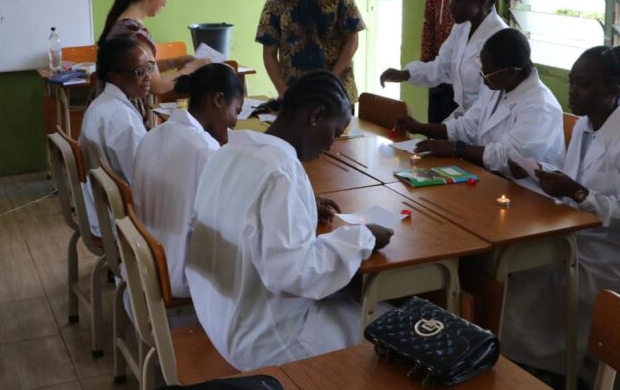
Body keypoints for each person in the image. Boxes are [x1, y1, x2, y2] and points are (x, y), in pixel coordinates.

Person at [186, 71, 393, 371]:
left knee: (352, 300)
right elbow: (293, 274)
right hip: (263, 339)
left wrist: (306, 206)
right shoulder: (282, 172)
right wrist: (364, 237)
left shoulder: (228, 152)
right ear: (316, 116)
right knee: (389, 323)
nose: (331, 145)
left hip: (217, 313)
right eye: (334, 133)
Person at [502, 46, 620, 380]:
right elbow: (576, 177)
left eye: (583, 84)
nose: (572, 91)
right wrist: (538, 171)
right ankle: (529, 362)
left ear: (612, 89)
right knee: (510, 264)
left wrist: (577, 193)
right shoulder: (585, 125)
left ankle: (554, 370)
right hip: (577, 231)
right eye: (572, 81)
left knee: (532, 279)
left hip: (612, 252)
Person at [131, 63, 244, 298]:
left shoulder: (152, 136)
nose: (235, 122)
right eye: (237, 110)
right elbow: (231, 222)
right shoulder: (206, 151)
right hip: (178, 278)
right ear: (218, 100)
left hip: (143, 263)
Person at [395, 28, 565, 173]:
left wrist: (457, 149)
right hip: (491, 179)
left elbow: (510, 159)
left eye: (488, 74)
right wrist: (419, 127)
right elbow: (467, 126)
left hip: (529, 194)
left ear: (512, 71)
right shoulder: (498, 87)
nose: (484, 80)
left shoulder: (540, 106)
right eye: (482, 72)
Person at [380, 0, 510, 120]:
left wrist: (430, 130)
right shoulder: (463, 27)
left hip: (487, 125)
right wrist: (406, 74)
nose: (450, 5)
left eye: (458, 0)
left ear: (483, 2)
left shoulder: (501, 40)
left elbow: (485, 109)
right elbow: (443, 67)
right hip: (465, 118)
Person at [256, 0, 365, 104]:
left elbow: (352, 40)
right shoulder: (275, 2)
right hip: (296, 94)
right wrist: (282, 90)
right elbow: (269, 53)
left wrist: (332, 79)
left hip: (337, 92)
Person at [99, 0, 208, 96]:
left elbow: (138, 68)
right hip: (125, 111)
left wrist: (172, 62)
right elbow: (157, 86)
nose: (166, 3)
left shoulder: (121, 23)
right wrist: (193, 68)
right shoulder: (136, 33)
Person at [78, 36, 152, 236]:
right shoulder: (122, 120)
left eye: (149, 68)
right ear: (114, 77)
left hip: (99, 208)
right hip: (117, 217)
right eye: (139, 72)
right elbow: (142, 181)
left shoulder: (101, 105)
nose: (148, 77)